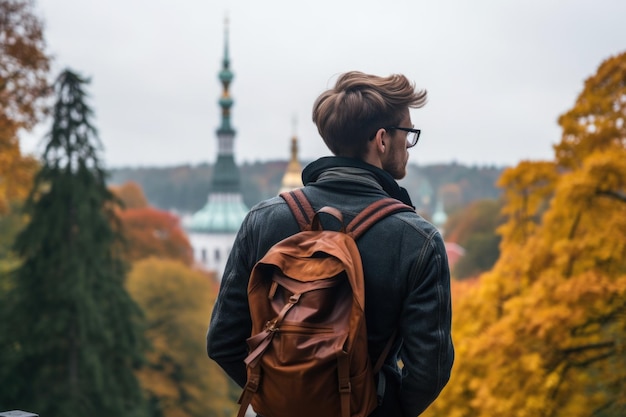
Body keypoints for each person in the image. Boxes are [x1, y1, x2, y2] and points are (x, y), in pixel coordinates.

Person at [207, 71, 454, 416]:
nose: (408, 147)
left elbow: (222, 341)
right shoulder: (417, 240)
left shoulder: (262, 220)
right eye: (408, 134)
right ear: (382, 140)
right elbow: (430, 369)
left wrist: (281, 393)